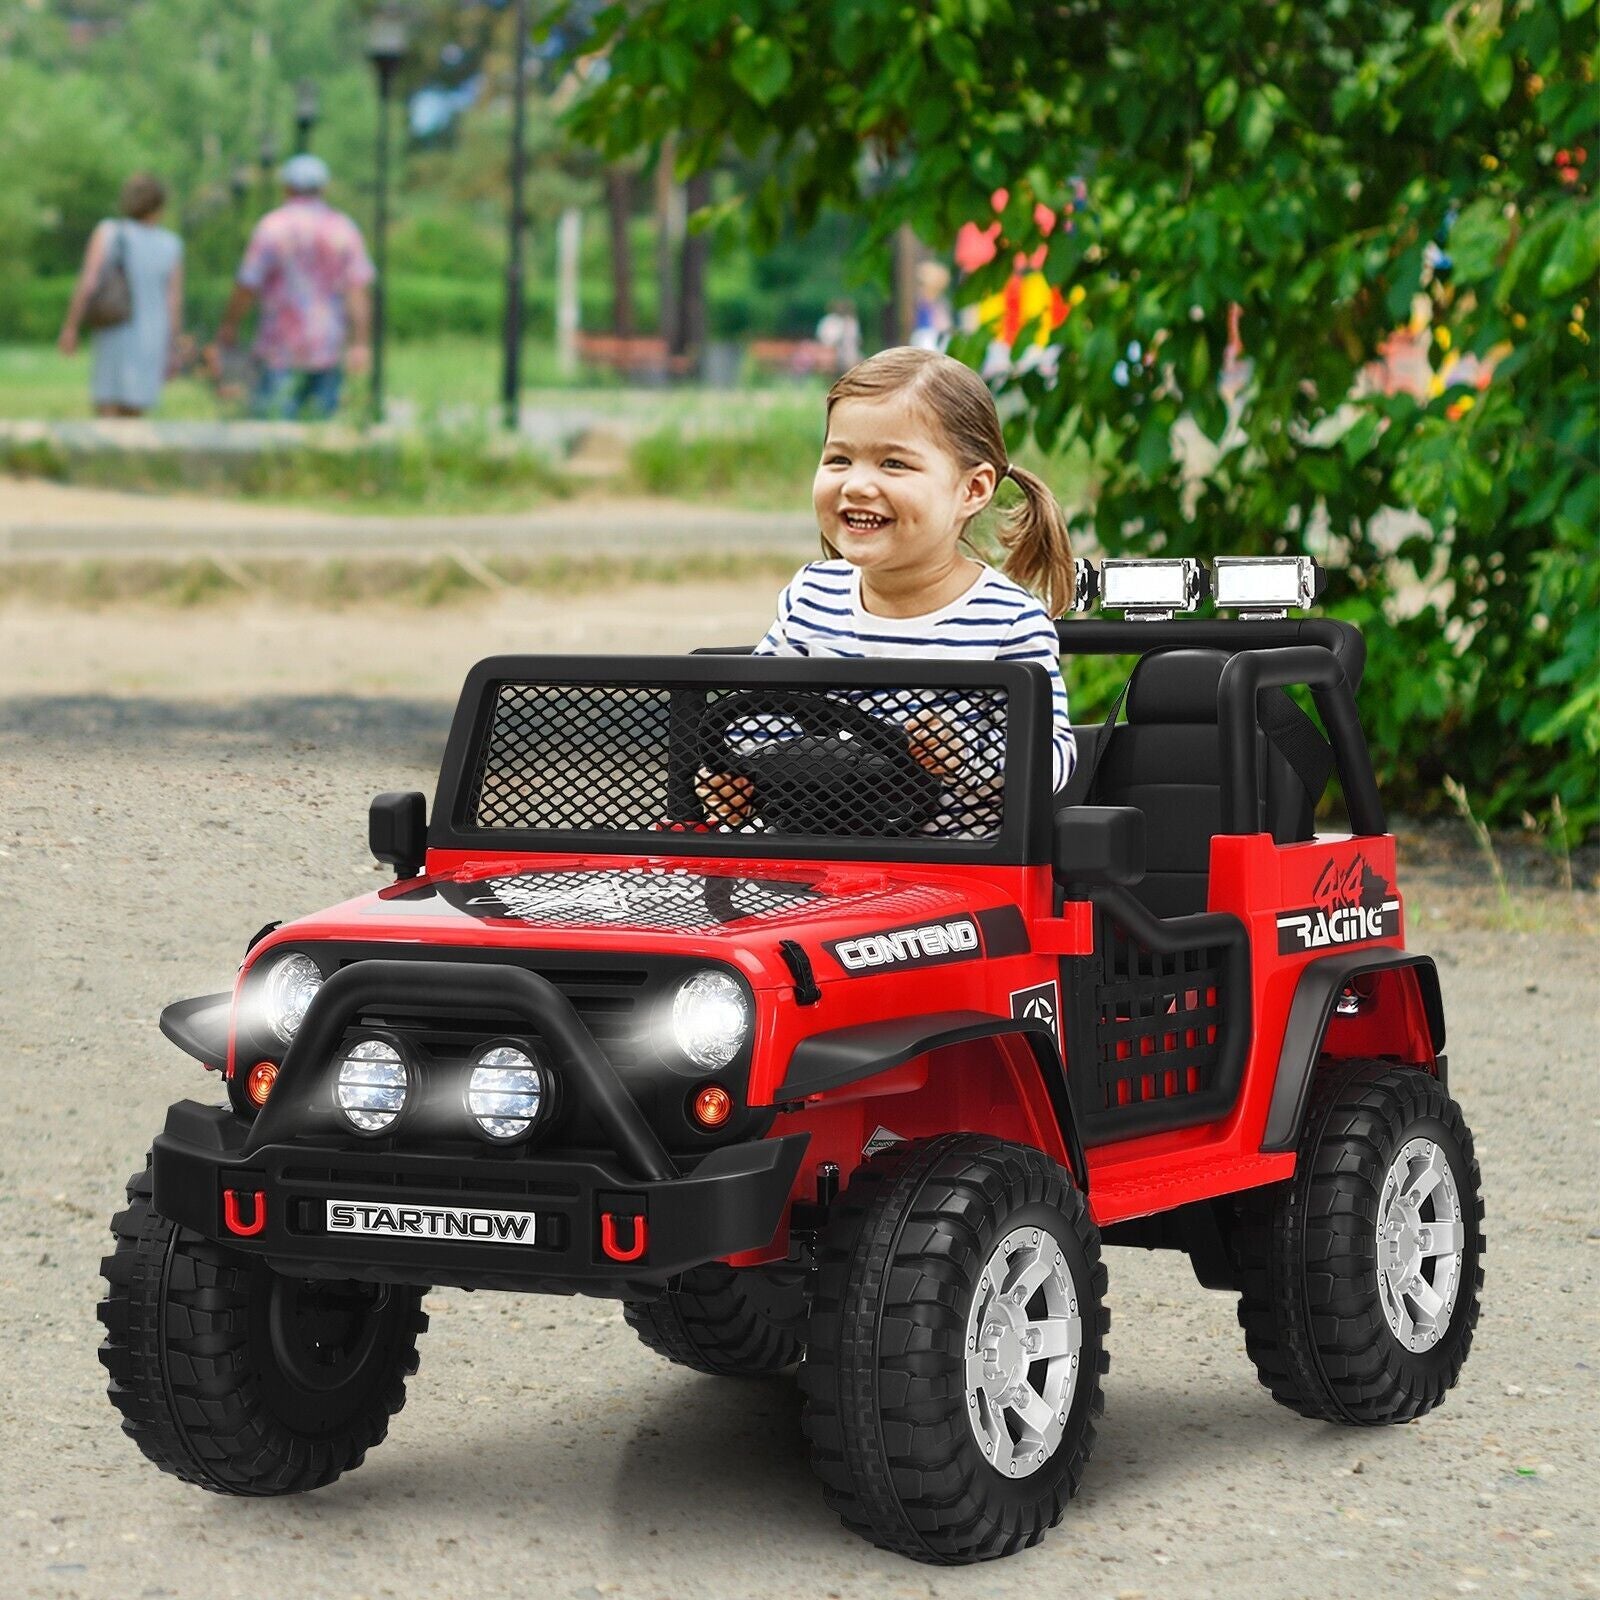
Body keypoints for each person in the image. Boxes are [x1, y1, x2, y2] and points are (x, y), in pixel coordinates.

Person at [697, 346, 1076, 834]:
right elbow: (757, 713)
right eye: (839, 459)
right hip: (808, 857)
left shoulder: (1007, 618)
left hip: (954, 876)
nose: (857, 485)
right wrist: (736, 778)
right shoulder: (814, 596)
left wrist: (962, 754)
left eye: (893, 464)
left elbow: (1054, 759)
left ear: (973, 490)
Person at [211, 154, 373, 420]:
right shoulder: (343, 228)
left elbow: (247, 284)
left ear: (287, 187)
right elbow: (357, 288)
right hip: (328, 344)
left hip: (279, 345)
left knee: (273, 434)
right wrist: (360, 342)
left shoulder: (272, 227)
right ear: (323, 187)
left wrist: (230, 325)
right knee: (320, 438)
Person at [58, 174, 184, 418]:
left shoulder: (108, 232)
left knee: (107, 403)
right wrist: (173, 347)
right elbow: (173, 301)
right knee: (135, 411)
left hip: (114, 326)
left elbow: (89, 282)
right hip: (152, 332)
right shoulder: (171, 244)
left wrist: (71, 326)